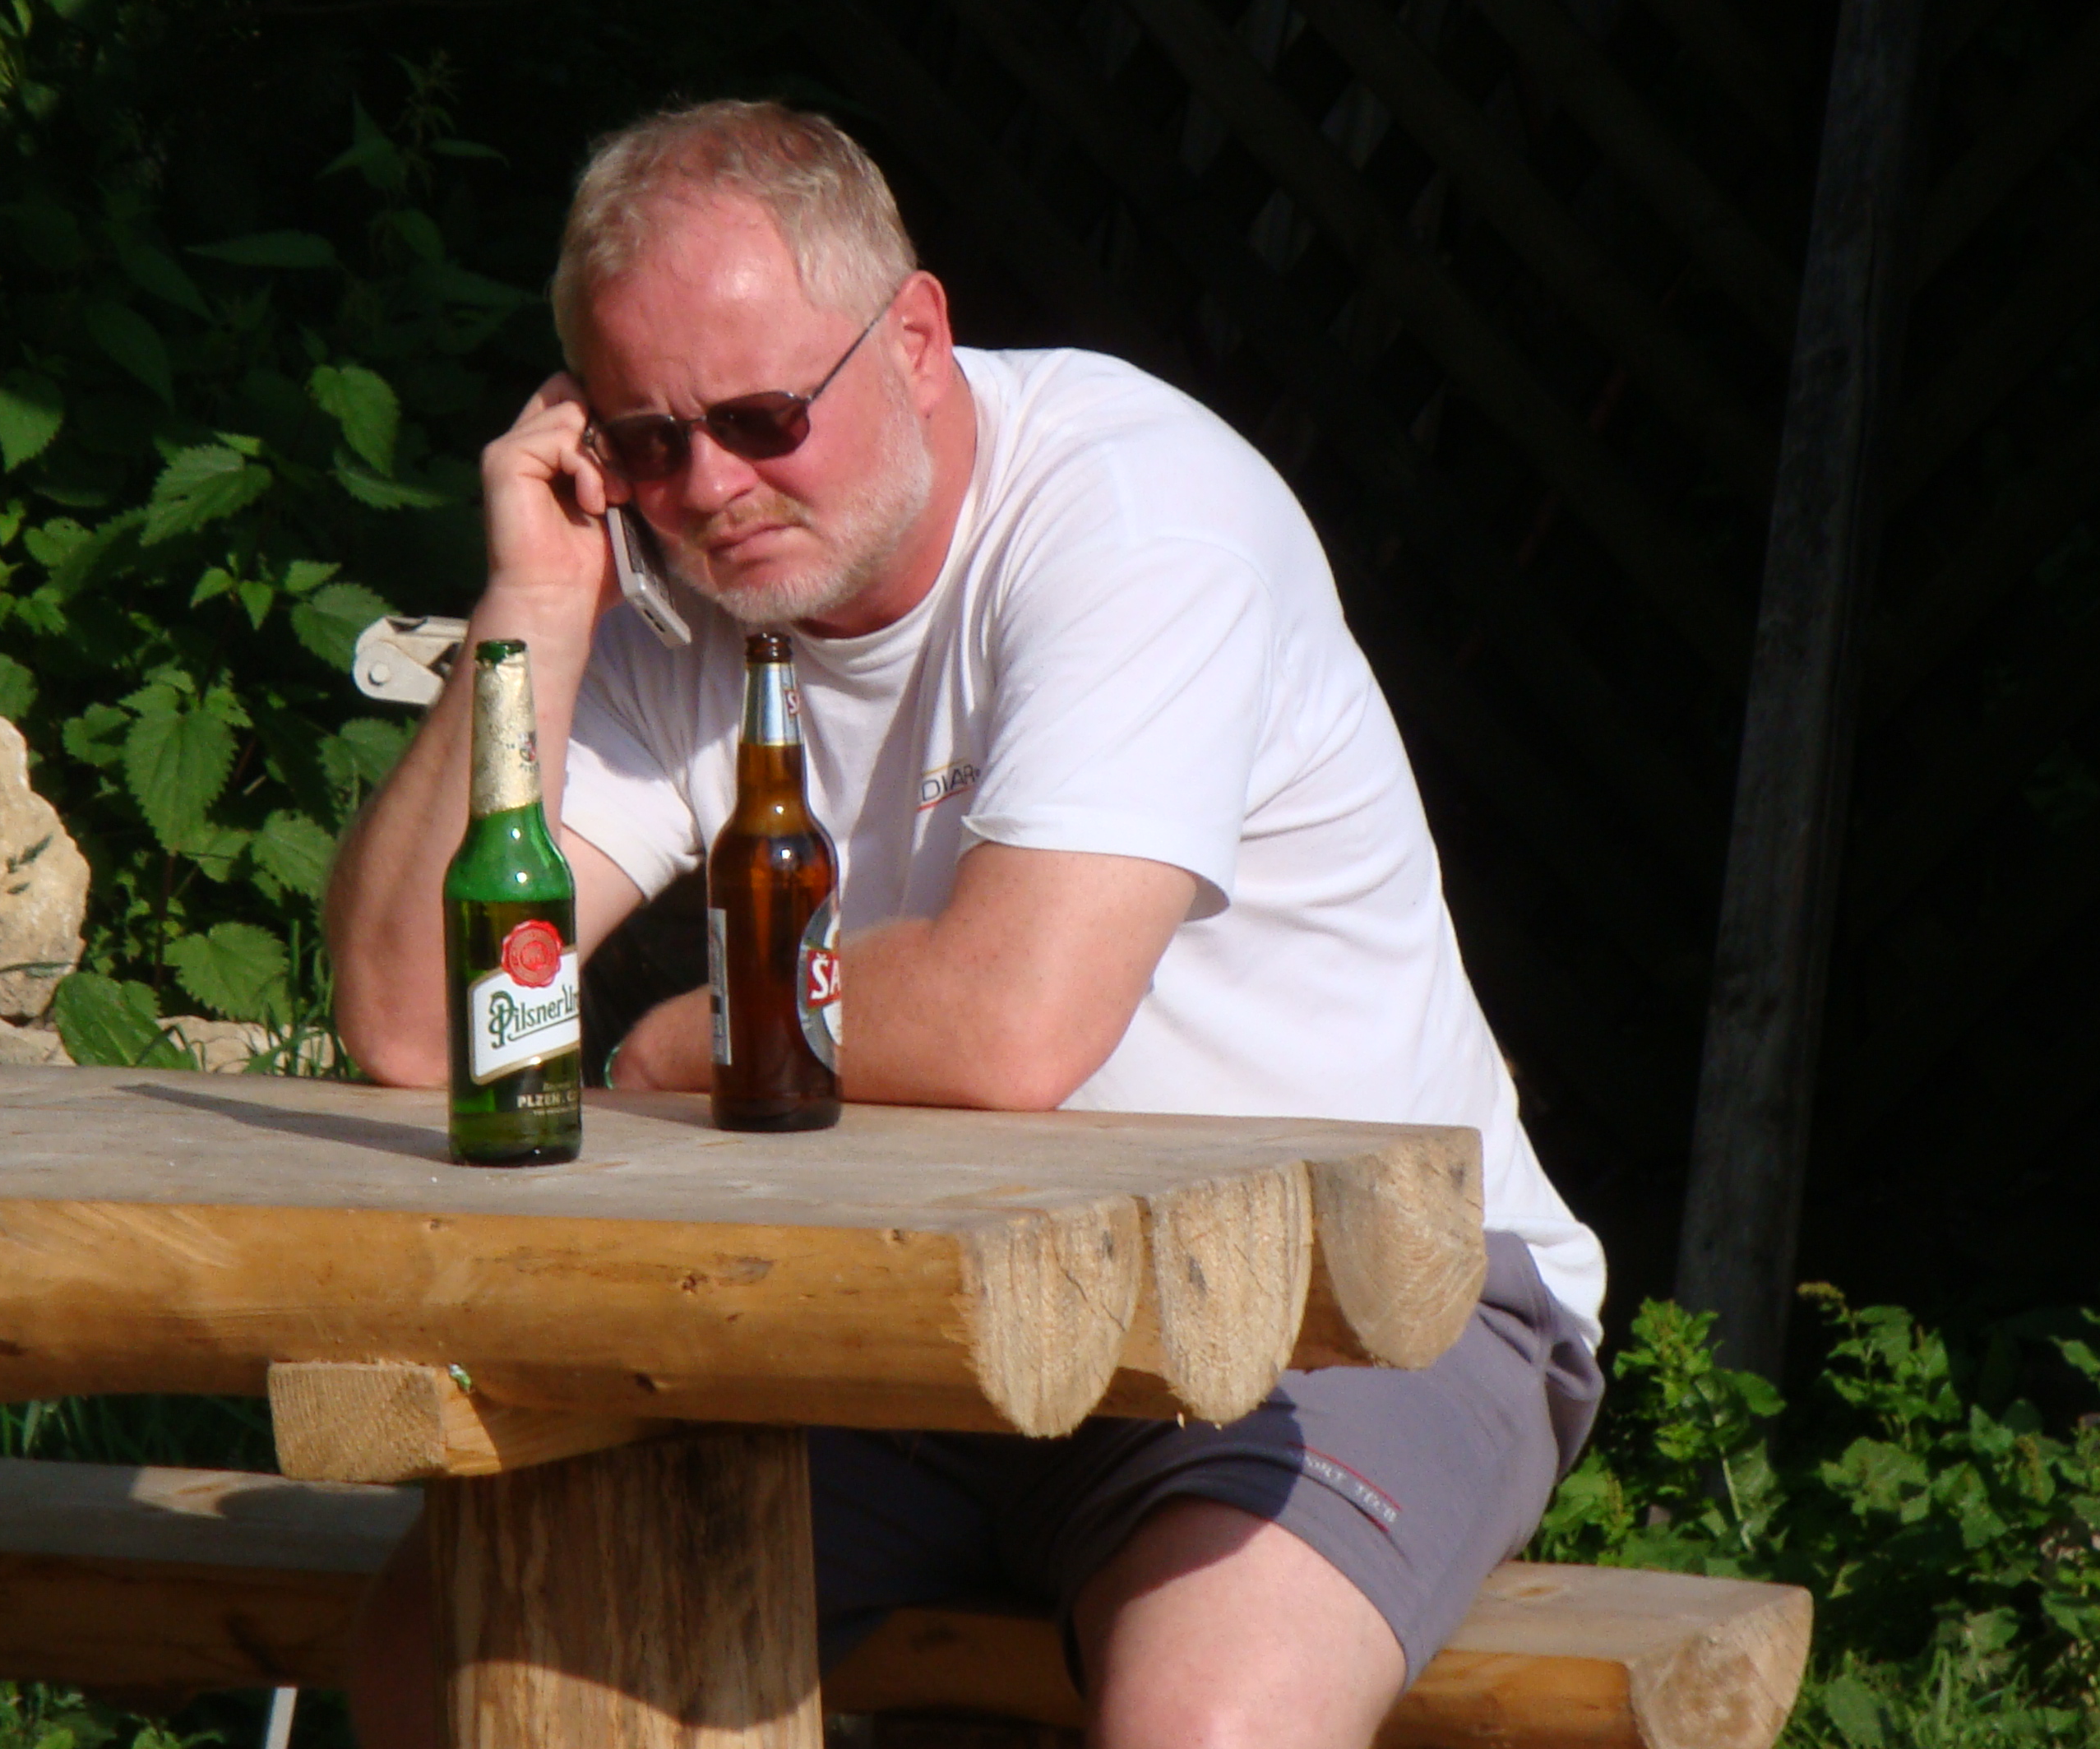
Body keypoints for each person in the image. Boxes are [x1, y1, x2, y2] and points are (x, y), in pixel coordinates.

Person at [324, 99, 1605, 1748]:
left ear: (916, 339)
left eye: (763, 416)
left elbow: (1014, 1020)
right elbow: (416, 1022)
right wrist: (531, 612)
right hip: (894, 1320)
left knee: (1208, 1726)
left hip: (1341, 1305)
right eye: (645, 443)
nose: (712, 489)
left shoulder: (1135, 514)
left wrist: (671, 1040)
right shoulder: (669, 585)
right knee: (449, 1658)